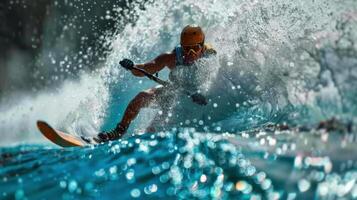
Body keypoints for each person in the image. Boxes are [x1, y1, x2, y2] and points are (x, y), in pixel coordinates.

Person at [95, 25, 217, 142]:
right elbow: (147, 68)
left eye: (195, 49)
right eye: (186, 48)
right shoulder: (172, 57)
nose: (190, 54)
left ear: (202, 46)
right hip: (171, 94)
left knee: (152, 130)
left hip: (192, 104)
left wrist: (202, 94)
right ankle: (118, 132)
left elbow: (216, 82)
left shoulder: (210, 57)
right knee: (141, 98)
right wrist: (132, 67)